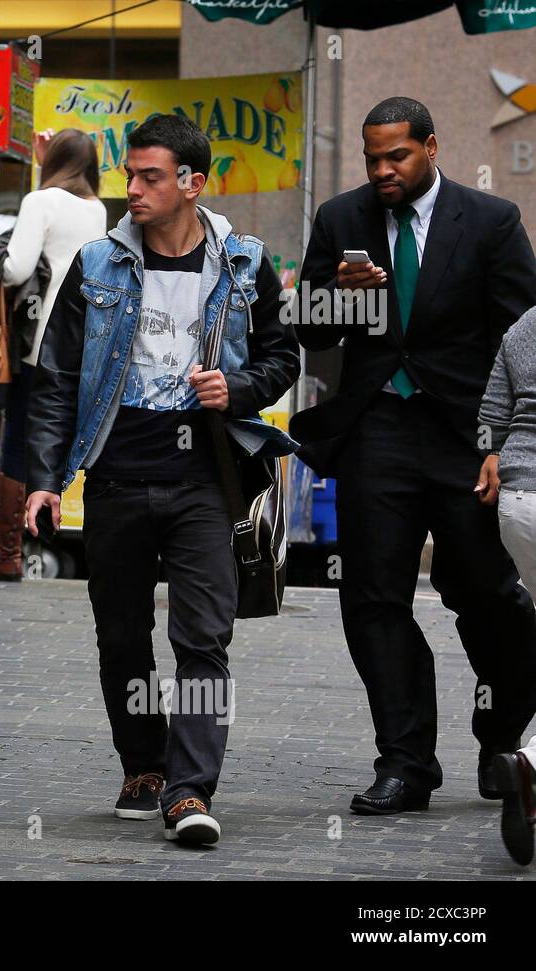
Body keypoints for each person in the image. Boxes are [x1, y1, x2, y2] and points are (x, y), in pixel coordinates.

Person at [24, 114, 299, 844]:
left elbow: (284, 357)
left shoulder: (245, 263)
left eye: (150, 177)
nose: (133, 190)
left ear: (192, 183)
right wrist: (46, 480)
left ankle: (189, 789)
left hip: (206, 477)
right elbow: (54, 378)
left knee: (204, 635)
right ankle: (142, 765)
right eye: (131, 175)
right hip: (117, 472)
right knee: (121, 635)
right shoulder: (96, 264)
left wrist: (237, 389)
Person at [292, 97, 536, 816]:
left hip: (468, 435)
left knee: (490, 594)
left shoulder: (491, 223)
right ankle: (406, 762)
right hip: (377, 430)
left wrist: (510, 441)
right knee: (373, 597)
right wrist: (338, 294)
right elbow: (308, 327)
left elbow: (524, 338)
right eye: (372, 159)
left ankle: (503, 737)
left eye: (396, 156)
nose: (382, 171)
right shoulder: (342, 219)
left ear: (431, 147)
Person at [0, 128, 108, 581]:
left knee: (15, 443)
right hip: (79, 342)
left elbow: (16, 270)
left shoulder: (39, 202)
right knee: (63, 435)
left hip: (34, 343)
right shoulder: (97, 209)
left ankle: (8, 552)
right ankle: (47, 536)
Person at [477, 305, 536, 866]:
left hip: (519, 503)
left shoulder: (523, 325)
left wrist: (492, 453)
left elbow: (492, 410)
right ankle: (530, 765)